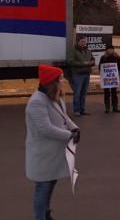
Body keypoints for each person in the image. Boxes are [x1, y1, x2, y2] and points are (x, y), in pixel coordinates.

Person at [26, 65, 80, 220]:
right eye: (60, 79)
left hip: (53, 154)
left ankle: (46, 212)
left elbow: (64, 117)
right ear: (52, 82)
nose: (63, 81)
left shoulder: (54, 97)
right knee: (43, 187)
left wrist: (75, 128)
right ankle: (40, 216)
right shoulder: (37, 102)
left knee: (50, 185)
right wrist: (69, 135)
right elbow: (45, 129)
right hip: (43, 155)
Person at [68, 36, 94, 116]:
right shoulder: (73, 50)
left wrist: (91, 62)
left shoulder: (88, 51)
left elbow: (93, 60)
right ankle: (76, 110)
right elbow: (70, 62)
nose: (84, 43)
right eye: (82, 41)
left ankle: (82, 110)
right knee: (77, 93)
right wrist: (83, 64)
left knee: (84, 93)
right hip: (78, 75)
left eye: (85, 42)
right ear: (78, 42)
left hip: (87, 74)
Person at [99, 45, 120, 114]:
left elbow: (119, 67)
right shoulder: (103, 58)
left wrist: (118, 74)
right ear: (106, 50)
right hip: (106, 79)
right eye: (109, 49)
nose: (110, 51)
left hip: (113, 79)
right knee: (106, 93)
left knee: (114, 93)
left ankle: (115, 107)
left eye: (112, 49)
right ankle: (107, 108)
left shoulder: (116, 57)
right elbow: (100, 67)